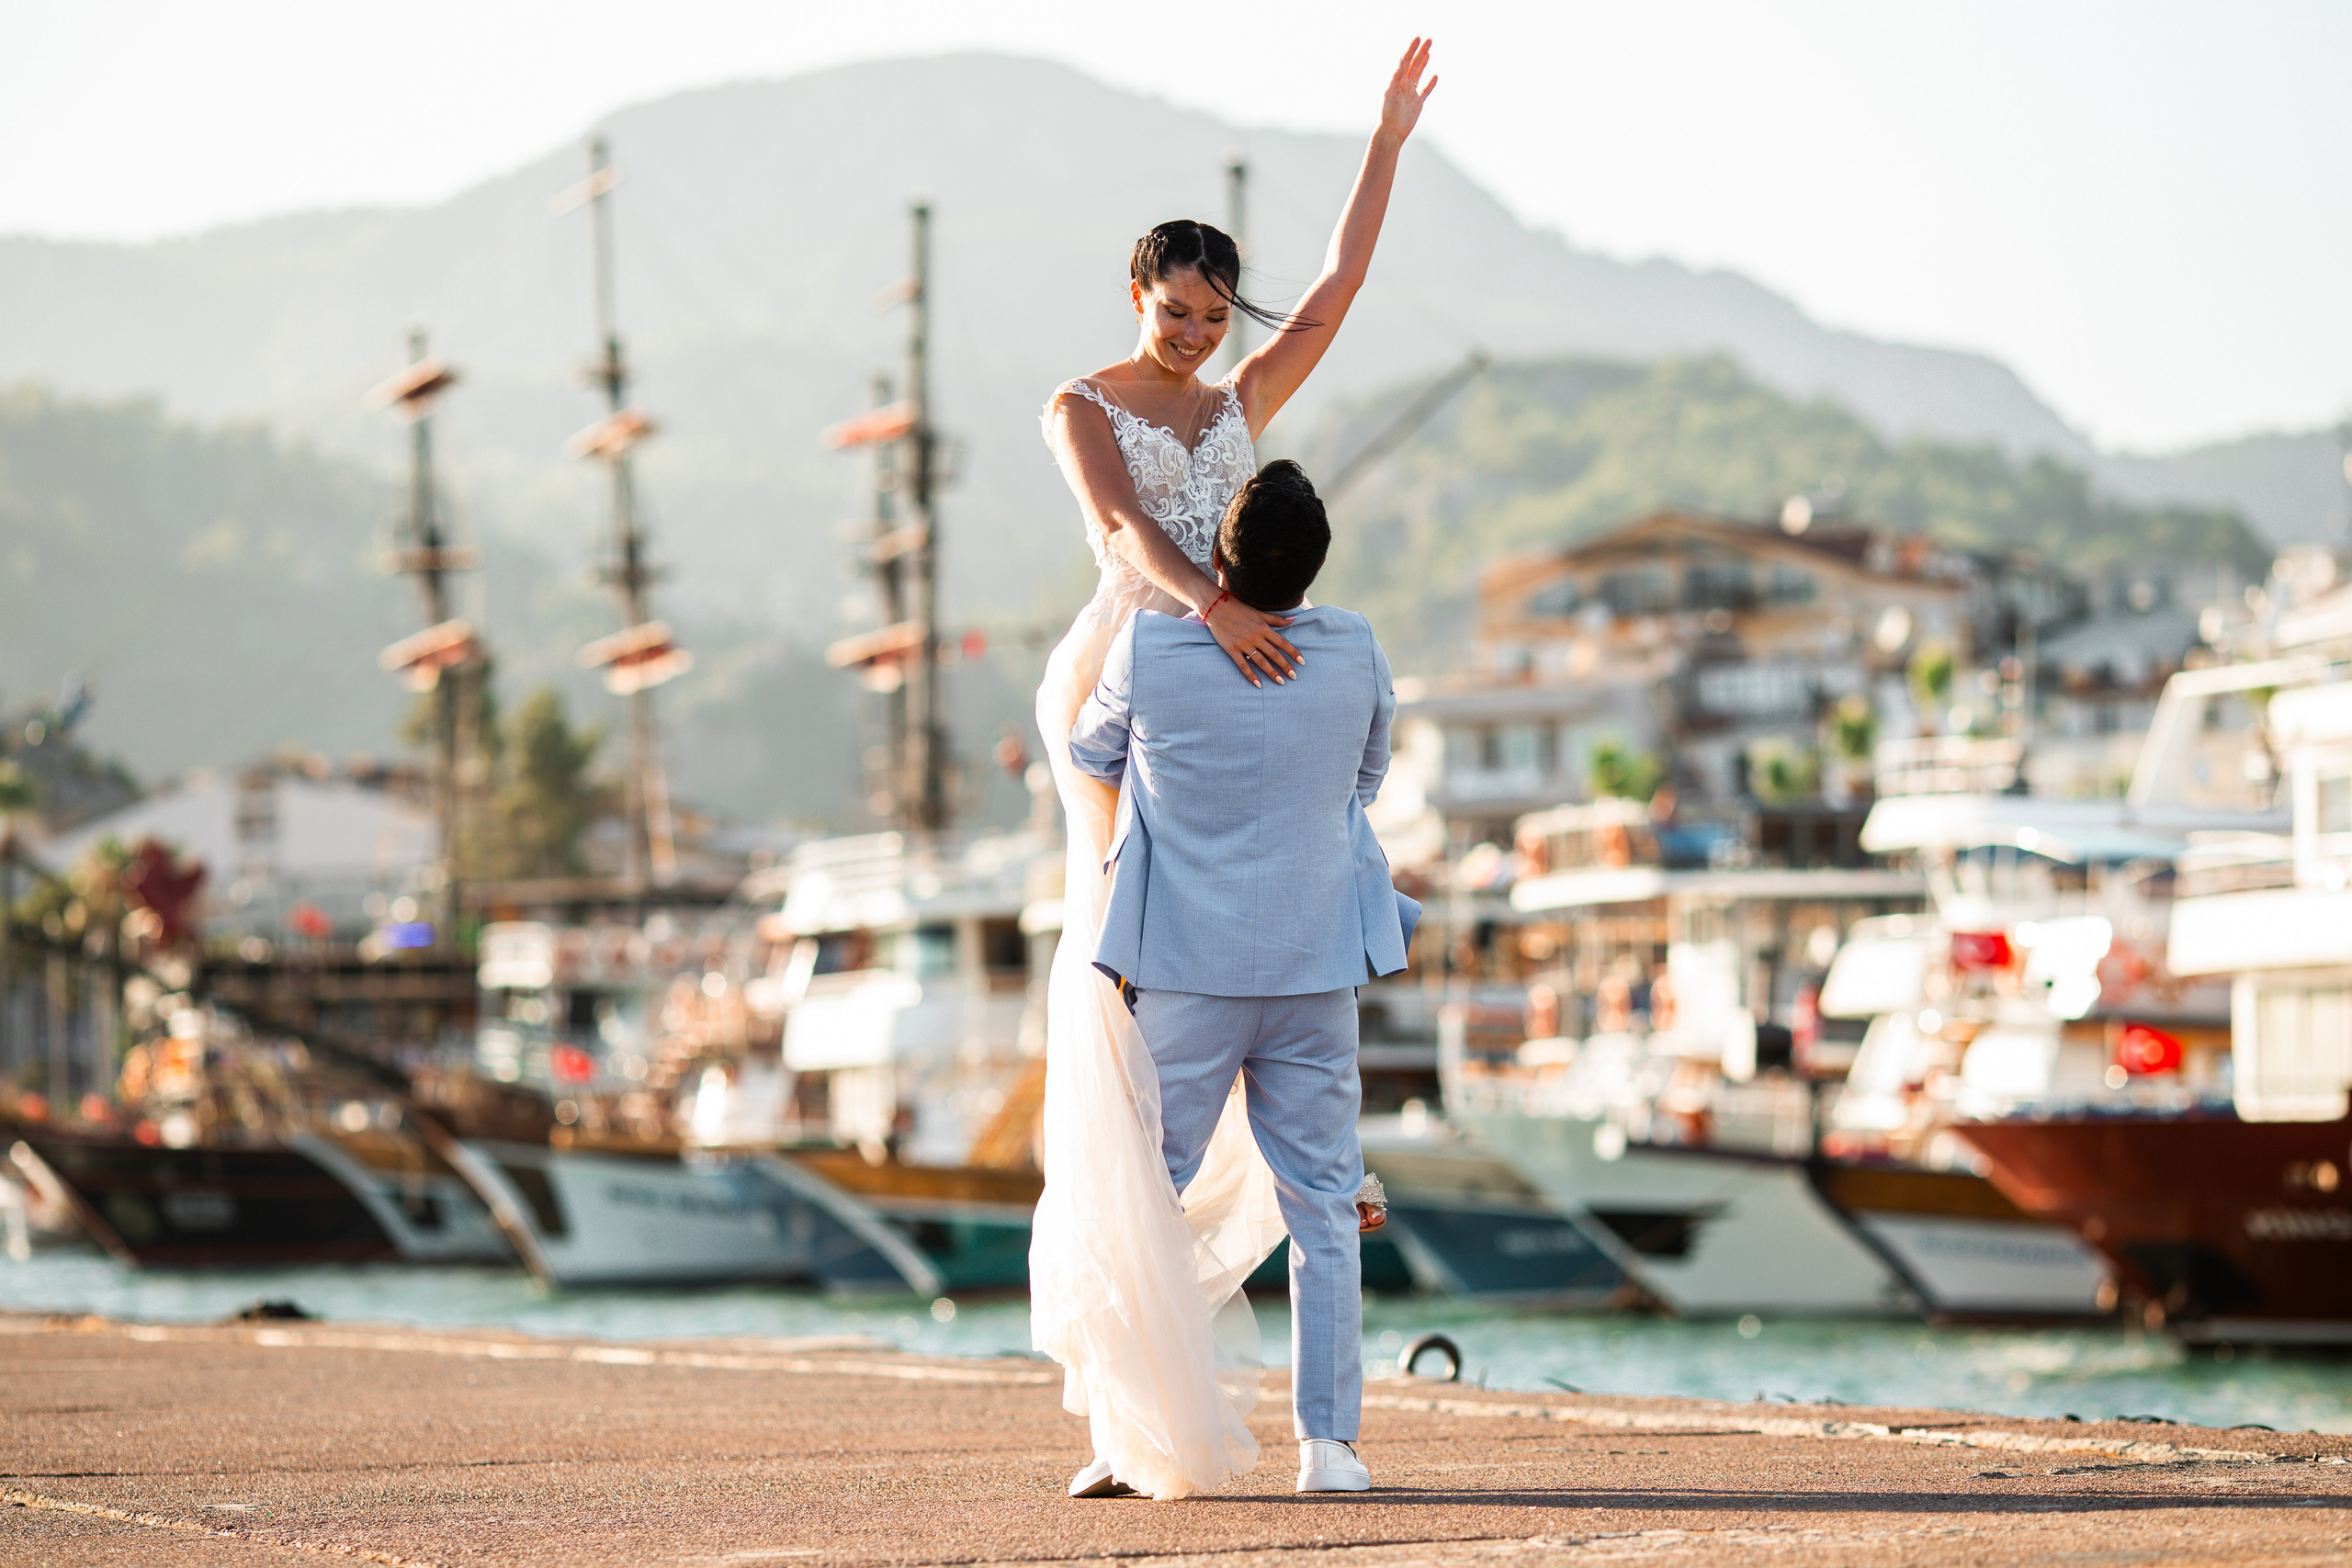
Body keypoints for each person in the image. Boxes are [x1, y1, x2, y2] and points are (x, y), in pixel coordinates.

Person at [1028, 38, 1438, 1502]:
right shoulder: (1084, 403)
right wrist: (1213, 607)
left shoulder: (1240, 401)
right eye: (1176, 313)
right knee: (1127, 1017)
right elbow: (1124, 531)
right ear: (1136, 296)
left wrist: (1384, 141)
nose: (1198, 337)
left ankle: (1295, 1188)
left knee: (1202, 1004)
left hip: (1237, 656)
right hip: (1139, 660)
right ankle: (1126, 1406)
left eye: (1214, 316)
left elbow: (1339, 287)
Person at [1067, 462, 1419, 1495]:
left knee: (1149, 1200)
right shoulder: (1355, 648)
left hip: (1184, 971)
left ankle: (1133, 1438)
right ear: (1314, 567)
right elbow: (1364, 780)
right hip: (1313, 968)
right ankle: (1330, 1449)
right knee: (1325, 1207)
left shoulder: (1150, 650)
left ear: (1217, 564)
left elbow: (1089, 752)